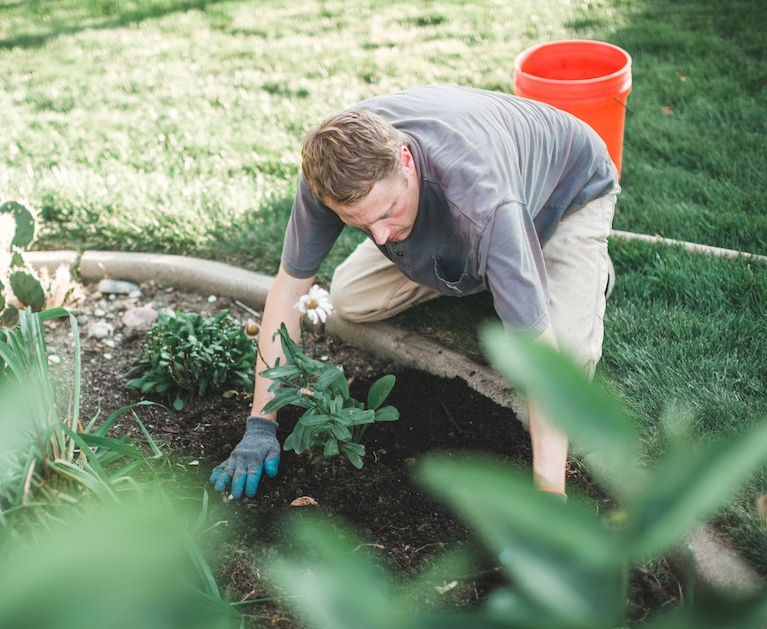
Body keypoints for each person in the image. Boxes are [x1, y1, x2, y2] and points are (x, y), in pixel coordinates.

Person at [209, 84, 620, 501]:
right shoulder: (331, 172)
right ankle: (493, 273)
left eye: (387, 212)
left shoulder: (485, 202)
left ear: (405, 160)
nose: (382, 236)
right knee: (351, 299)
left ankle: (572, 273)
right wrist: (261, 424)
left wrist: (548, 496)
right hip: (470, 211)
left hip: (566, 194)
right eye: (361, 225)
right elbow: (288, 290)